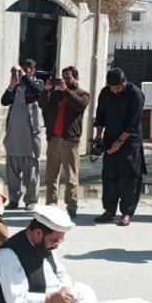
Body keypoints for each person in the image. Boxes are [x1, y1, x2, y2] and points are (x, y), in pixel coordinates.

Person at [0, 205, 109, 303]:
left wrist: (65, 289)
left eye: (60, 241)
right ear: (38, 233)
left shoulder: (45, 244)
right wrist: (51, 299)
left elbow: (60, 272)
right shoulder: (9, 255)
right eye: (55, 240)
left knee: (85, 291)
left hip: (52, 298)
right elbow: (17, 301)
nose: (57, 245)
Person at [93, 67, 146, 227]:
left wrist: (120, 142)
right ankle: (109, 210)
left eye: (118, 88)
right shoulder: (105, 93)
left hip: (130, 142)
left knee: (129, 177)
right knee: (110, 175)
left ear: (124, 82)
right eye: (112, 88)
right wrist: (98, 136)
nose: (115, 91)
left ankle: (126, 212)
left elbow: (133, 122)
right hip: (110, 138)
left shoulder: (135, 94)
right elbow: (101, 115)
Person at [39, 65, 90, 218]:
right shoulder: (56, 94)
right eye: (63, 78)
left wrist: (66, 91)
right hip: (54, 139)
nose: (65, 81)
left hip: (70, 141)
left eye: (68, 78)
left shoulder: (82, 94)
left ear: (76, 78)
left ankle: (72, 205)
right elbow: (43, 105)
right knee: (51, 176)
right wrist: (46, 90)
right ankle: (51, 204)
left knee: (71, 178)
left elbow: (80, 106)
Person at [1, 58, 44, 210]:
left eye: (28, 68)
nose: (25, 71)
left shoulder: (37, 83)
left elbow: (37, 91)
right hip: (14, 136)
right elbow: (4, 101)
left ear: (33, 69)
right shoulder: (16, 85)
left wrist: (25, 77)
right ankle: (13, 200)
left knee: (31, 170)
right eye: (23, 68)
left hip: (30, 136)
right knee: (12, 171)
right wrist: (11, 86)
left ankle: (31, 200)